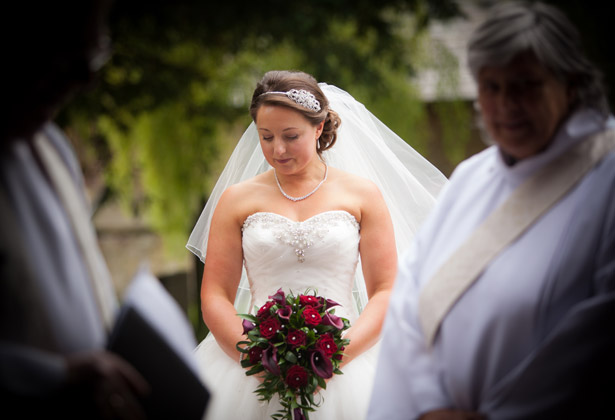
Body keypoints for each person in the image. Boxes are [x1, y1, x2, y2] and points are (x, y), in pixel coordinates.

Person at [367, 1, 615, 419]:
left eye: (525, 86)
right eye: (491, 87)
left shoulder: (605, 173)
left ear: (570, 84)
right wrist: (431, 403)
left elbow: (600, 330)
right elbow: (411, 293)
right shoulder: (470, 175)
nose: (506, 105)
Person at [186, 70, 448, 419]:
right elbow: (215, 294)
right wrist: (256, 356)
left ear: (319, 128)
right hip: (251, 360)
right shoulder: (236, 200)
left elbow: (386, 290)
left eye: (290, 136)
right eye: (266, 137)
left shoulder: (362, 194)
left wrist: (336, 354)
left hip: (347, 360)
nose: (277, 149)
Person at [0, 1, 192, 419]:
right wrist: (55, 375)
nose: (86, 79)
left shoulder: (51, 146)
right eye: (67, 54)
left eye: (95, 54)